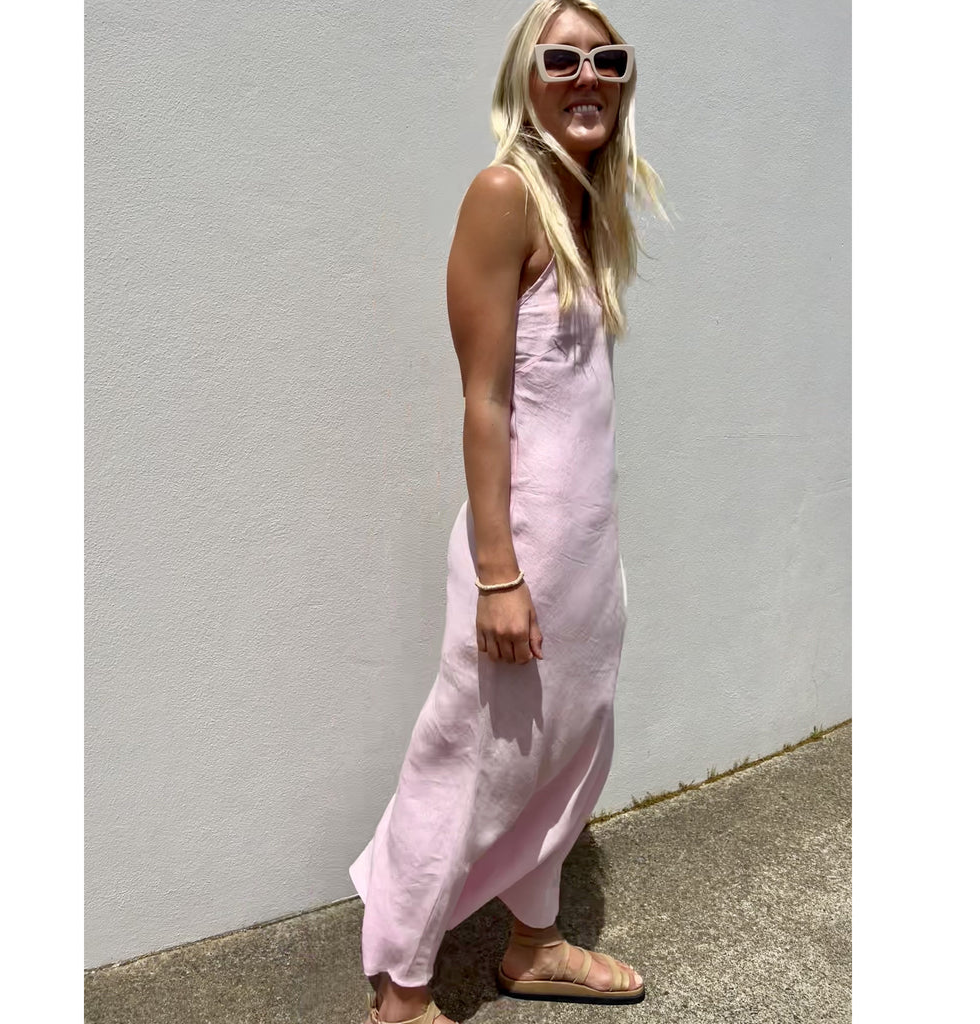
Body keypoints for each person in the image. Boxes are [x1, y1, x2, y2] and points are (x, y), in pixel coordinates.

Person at [349, 2, 670, 1022]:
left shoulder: (586, 206)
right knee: (468, 766)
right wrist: (498, 573)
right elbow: (483, 401)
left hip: (585, 554)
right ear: (523, 80)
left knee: (569, 756)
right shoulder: (505, 195)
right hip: (520, 556)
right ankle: (401, 988)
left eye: (606, 58)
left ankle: (531, 946)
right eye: (561, 59)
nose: (588, 76)